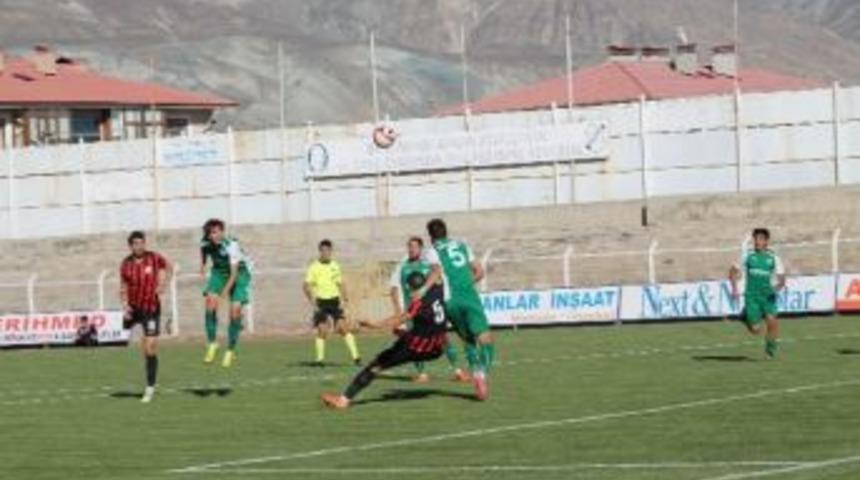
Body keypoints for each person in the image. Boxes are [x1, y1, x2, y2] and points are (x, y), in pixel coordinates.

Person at [322, 271, 449, 409]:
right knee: (409, 334)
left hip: (416, 348)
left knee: (377, 364)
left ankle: (343, 400)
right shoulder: (437, 289)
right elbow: (437, 272)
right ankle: (405, 336)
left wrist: (374, 325)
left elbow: (399, 318)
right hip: (437, 348)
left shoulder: (418, 303)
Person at [419, 218, 495, 401]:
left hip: (449, 300)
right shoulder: (462, 245)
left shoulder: (430, 251)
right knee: (485, 337)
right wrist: (467, 284)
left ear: (431, 236)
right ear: (446, 231)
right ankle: (481, 373)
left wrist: (423, 292)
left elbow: (436, 272)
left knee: (468, 339)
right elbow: (480, 271)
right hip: (469, 295)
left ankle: (475, 371)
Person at [389, 236, 469, 384]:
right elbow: (393, 288)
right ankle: (422, 374)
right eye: (409, 246)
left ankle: (458, 371)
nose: (411, 249)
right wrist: (398, 309)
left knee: (443, 339)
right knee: (413, 342)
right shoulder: (402, 266)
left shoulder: (429, 263)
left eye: (414, 246)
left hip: (431, 309)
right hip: (413, 311)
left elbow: (439, 278)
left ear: (421, 248)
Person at [120, 231, 171, 403]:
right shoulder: (126, 264)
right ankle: (144, 346)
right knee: (134, 343)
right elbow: (123, 286)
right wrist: (125, 305)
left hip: (151, 308)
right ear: (131, 245)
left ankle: (149, 387)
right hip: (134, 308)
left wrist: (162, 283)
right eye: (135, 243)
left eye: (142, 243)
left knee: (150, 347)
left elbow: (166, 266)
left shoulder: (154, 258)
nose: (139, 246)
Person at [200, 219, 253, 368]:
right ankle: (212, 343)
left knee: (234, 311)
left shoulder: (231, 245)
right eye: (210, 233)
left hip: (240, 274)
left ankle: (230, 350)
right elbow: (203, 251)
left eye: (216, 232)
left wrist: (224, 293)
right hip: (218, 272)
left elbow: (234, 273)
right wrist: (203, 265)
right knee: (210, 304)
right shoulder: (205, 242)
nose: (213, 236)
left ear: (222, 232)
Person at [729, 228, 786, 359]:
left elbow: (782, 280)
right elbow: (732, 272)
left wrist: (775, 289)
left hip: (768, 296)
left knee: (772, 322)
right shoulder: (748, 255)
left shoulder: (774, 258)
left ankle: (769, 350)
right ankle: (745, 318)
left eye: (760, 239)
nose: (756, 242)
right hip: (752, 296)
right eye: (755, 239)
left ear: (766, 241)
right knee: (756, 330)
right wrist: (734, 289)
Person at [304, 239, 361, 366]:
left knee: (343, 328)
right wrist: (312, 302)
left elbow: (340, 283)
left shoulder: (335, 265)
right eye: (323, 251)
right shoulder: (313, 267)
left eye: (328, 250)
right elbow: (306, 285)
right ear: (320, 251)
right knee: (323, 330)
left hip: (334, 301)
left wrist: (345, 299)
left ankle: (356, 358)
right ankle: (319, 360)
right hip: (321, 302)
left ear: (331, 251)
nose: (326, 253)